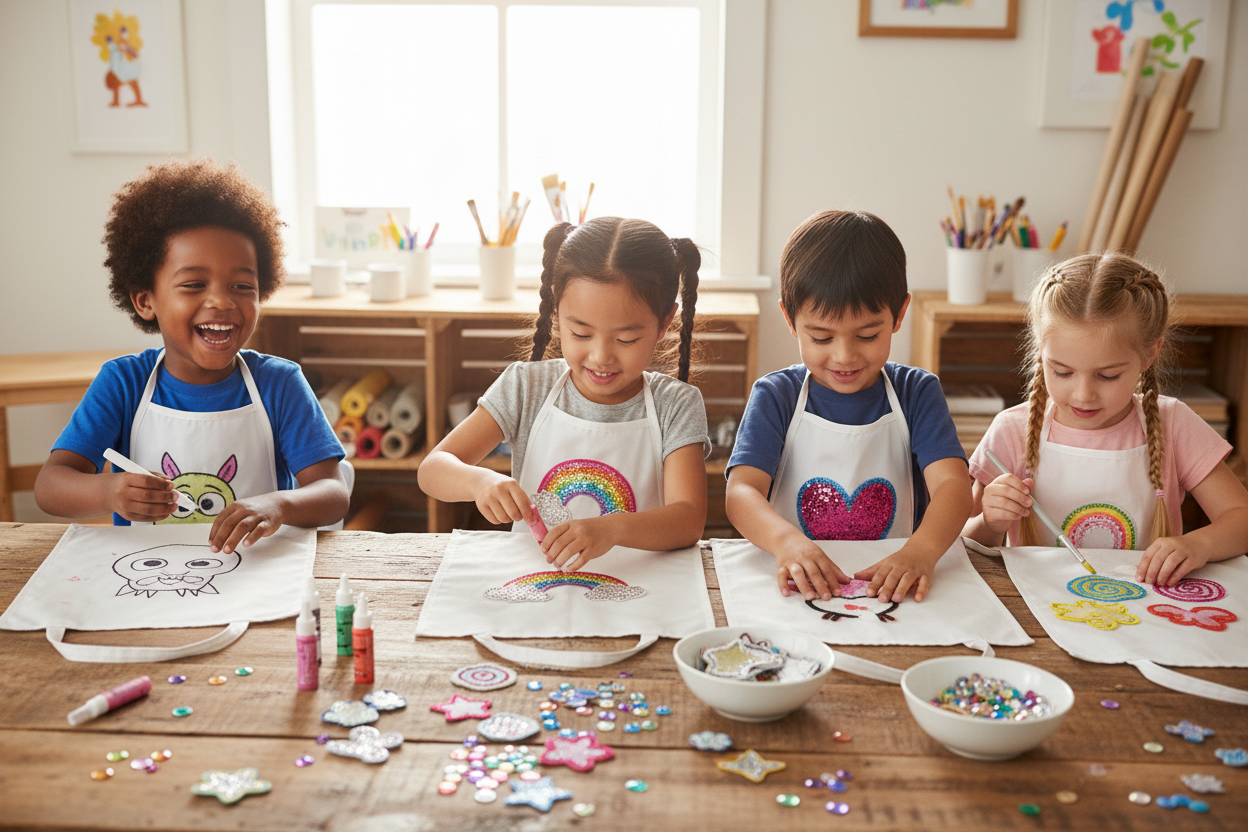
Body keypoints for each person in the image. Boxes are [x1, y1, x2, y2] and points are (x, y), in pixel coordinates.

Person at [34, 159, 349, 553]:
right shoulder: (123, 384)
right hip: (147, 573)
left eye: (242, 285)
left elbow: (333, 492)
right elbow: (50, 486)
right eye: (194, 284)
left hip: (256, 575)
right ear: (146, 301)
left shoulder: (279, 384)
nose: (221, 300)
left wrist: (277, 504)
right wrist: (109, 490)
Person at [418, 218, 709, 570]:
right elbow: (433, 470)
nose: (601, 356)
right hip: (534, 582)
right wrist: (479, 481)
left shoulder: (676, 404)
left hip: (641, 586)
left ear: (664, 323)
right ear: (557, 312)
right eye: (581, 334)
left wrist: (611, 529)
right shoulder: (527, 387)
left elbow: (688, 520)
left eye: (626, 339)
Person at [725, 210, 971, 604]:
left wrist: (921, 552)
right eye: (821, 338)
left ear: (899, 314)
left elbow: (955, 487)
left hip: (892, 587)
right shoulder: (776, 395)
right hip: (797, 583)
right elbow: (741, 493)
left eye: (868, 335)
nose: (844, 355)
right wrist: (787, 542)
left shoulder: (916, 392)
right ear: (790, 319)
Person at [963, 253, 1248, 586]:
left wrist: (1198, 544)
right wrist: (990, 522)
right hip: (1041, 609)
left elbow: (1240, 518)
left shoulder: (1174, 423)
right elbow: (963, 540)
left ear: (1149, 354)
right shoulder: (1011, 430)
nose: (1084, 394)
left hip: (1142, 612)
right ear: (1042, 351)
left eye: (1108, 375)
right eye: (1062, 372)